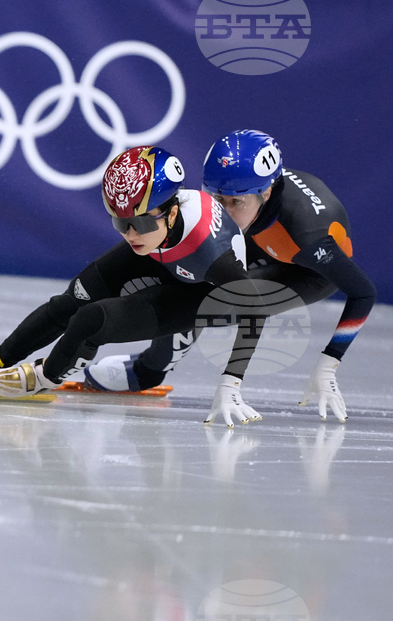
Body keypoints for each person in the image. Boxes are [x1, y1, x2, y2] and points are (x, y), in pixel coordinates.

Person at [0, 146, 263, 426]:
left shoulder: (213, 253)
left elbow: (255, 307)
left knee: (94, 323)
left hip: (202, 293)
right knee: (67, 304)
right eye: (120, 221)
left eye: (140, 222)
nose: (130, 233)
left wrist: (231, 382)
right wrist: (147, 229)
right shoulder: (149, 232)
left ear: (173, 211)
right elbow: (141, 236)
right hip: (162, 255)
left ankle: (44, 377)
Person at [86, 130, 376, 423]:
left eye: (235, 202)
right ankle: (144, 362)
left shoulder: (307, 234)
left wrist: (328, 364)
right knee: (189, 267)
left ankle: (146, 373)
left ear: (266, 193)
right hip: (264, 232)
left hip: (307, 270)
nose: (222, 210)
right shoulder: (248, 191)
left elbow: (364, 293)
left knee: (207, 302)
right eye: (217, 198)